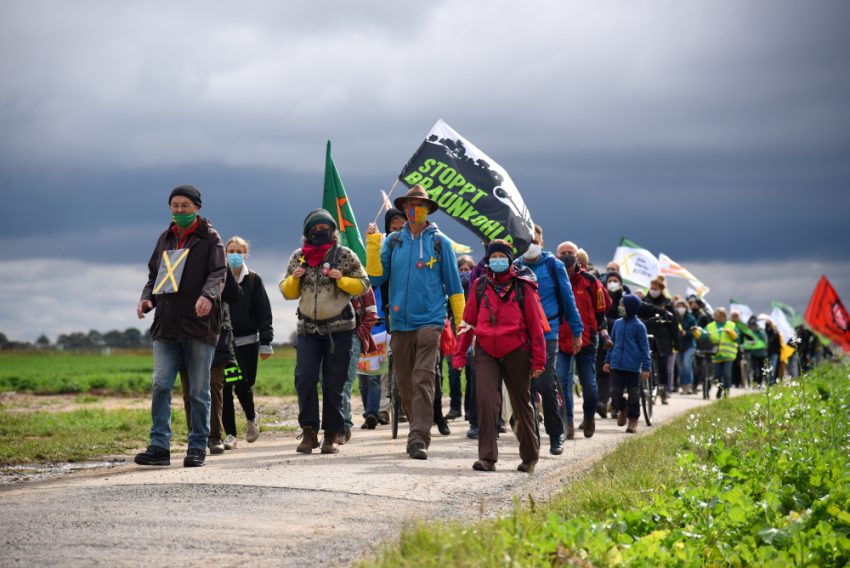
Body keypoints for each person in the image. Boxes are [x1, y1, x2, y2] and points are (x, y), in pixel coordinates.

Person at [365, 185, 465, 460]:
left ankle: (419, 436)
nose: (414, 209)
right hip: (399, 322)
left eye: (419, 205)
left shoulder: (439, 242)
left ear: (428, 209)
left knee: (423, 378)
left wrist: (463, 324)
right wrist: (373, 244)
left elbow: (455, 287)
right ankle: (417, 427)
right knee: (404, 382)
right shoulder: (393, 241)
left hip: (431, 321)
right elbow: (375, 278)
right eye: (409, 205)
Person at [135, 185, 226, 468]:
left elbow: (219, 272)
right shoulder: (165, 238)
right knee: (161, 384)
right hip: (166, 325)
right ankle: (159, 446)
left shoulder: (210, 238)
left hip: (199, 326)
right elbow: (154, 275)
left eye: (185, 205)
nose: (179, 210)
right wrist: (146, 298)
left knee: (199, 391)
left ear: (197, 207)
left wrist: (208, 296)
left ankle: (197, 445)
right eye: (174, 205)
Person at [280, 209, 370, 455]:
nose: (319, 232)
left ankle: (332, 435)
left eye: (324, 228)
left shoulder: (344, 255)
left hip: (339, 329)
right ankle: (309, 432)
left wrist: (342, 279)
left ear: (333, 231)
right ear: (307, 233)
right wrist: (294, 279)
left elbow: (363, 284)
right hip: (308, 329)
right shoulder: (299, 257)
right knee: (305, 379)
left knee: (334, 384)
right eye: (314, 229)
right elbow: (287, 292)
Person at [454, 240, 545, 473]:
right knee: (485, 400)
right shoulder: (479, 285)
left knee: (521, 403)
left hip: (518, 350)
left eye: (501, 256)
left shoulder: (523, 286)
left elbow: (536, 326)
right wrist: (460, 354)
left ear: (510, 259)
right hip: (485, 350)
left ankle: (529, 456)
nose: (497, 261)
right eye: (492, 257)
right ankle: (487, 458)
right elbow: (468, 321)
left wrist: (539, 360)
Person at [515, 225, 583, 452]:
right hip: (521, 333)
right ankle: (529, 434)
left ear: (542, 242)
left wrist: (577, 331)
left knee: (544, 383)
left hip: (548, 332)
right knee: (524, 385)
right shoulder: (515, 266)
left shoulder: (553, 265)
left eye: (536, 239)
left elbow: (568, 299)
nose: (532, 243)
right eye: (528, 239)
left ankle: (555, 435)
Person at [178, 266, 242, 455]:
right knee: (189, 390)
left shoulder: (218, 261)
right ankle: (195, 437)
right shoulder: (179, 257)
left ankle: (214, 436)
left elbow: (235, 295)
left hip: (216, 333)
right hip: (184, 330)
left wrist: (225, 267)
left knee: (214, 386)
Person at [554, 241, 609, 439]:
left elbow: (603, 307)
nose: (566, 255)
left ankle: (588, 417)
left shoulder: (590, 281)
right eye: (563, 252)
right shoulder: (552, 279)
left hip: (586, 339)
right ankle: (567, 422)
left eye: (570, 252)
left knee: (589, 383)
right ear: (556, 255)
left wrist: (594, 327)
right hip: (560, 339)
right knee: (562, 381)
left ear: (577, 257)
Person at [224, 236, 274, 449]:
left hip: (248, 343)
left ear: (245, 254)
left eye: (238, 251)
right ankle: (230, 434)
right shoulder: (219, 278)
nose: (234, 255)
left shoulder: (253, 280)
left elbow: (264, 312)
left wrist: (266, 341)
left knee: (243, 386)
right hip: (226, 344)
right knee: (226, 387)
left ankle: (252, 418)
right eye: (231, 251)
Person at [603, 294, 652, 434]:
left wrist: (646, 367)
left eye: (623, 305)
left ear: (630, 307)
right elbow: (611, 344)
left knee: (634, 395)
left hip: (633, 367)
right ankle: (622, 409)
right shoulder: (617, 323)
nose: (620, 308)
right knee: (615, 392)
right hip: (617, 365)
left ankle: (633, 420)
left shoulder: (639, 326)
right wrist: (607, 360)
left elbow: (644, 348)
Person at [377, 208, 407, 425]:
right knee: (386, 364)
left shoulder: (415, 246)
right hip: (387, 309)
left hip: (410, 307)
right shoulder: (382, 247)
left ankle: (407, 404)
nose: (396, 232)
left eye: (401, 228)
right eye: (392, 228)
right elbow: (375, 277)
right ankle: (384, 408)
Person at [341, 287, 378, 441]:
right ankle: (332, 425)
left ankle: (343, 426)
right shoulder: (325, 275)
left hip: (353, 336)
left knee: (345, 383)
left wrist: (360, 334)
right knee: (327, 382)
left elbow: (371, 313)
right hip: (326, 336)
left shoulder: (361, 282)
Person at [446, 255, 476, 421]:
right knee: (453, 373)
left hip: (471, 332)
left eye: (468, 270)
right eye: (461, 270)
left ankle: (470, 409)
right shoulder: (451, 287)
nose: (464, 273)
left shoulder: (476, 287)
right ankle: (454, 408)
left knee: (471, 373)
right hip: (454, 332)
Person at [641, 276, 679, 403]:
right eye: (651, 288)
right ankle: (650, 389)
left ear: (661, 289)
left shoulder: (668, 303)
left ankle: (663, 391)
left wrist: (677, 342)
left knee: (663, 367)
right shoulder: (645, 301)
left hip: (664, 339)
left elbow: (674, 324)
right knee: (648, 363)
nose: (653, 290)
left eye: (655, 288)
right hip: (648, 336)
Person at [595, 270, 626, 417]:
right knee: (602, 371)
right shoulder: (601, 296)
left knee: (617, 373)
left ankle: (615, 406)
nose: (612, 283)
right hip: (604, 339)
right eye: (610, 280)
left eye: (615, 280)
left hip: (620, 340)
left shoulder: (625, 299)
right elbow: (600, 315)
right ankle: (602, 402)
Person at [705, 307, 738, 398]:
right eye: (718, 316)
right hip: (716, 355)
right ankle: (720, 388)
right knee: (717, 376)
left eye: (722, 316)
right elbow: (704, 335)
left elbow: (737, 338)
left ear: (725, 316)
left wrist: (731, 333)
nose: (720, 318)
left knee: (727, 374)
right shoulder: (710, 326)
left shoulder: (731, 325)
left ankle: (726, 392)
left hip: (728, 355)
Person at [674, 299, 699, 394]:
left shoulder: (691, 318)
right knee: (680, 367)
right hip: (678, 346)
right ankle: (683, 386)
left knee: (686, 364)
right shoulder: (674, 317)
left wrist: (686, 333)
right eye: (678, 306)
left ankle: (689, 385)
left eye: (682, 306)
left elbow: (695, 332)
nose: (680, 308)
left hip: (689, 346)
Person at [742, 316, 768, 387]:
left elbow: (765, 342)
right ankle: (755, 383)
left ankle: (759, 383)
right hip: (753, 354)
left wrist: (756, 343)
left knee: (761, 369)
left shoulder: (761, 332)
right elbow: (746, 341)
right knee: (754, 369)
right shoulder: (750, 333)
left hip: (762, 354)